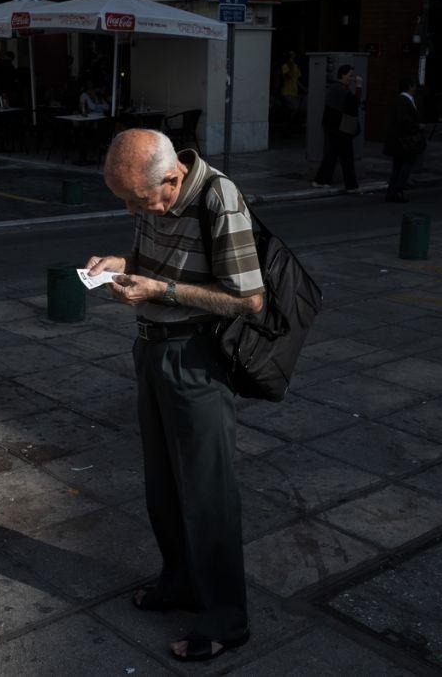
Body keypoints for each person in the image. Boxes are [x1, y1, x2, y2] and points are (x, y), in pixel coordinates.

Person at [84, 129, 262, 663]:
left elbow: (249, 300)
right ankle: (179, 582)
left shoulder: (218, 199)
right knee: (162, 484)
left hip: (197, 357)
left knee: (209, 493)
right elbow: (150, 258)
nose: (142, 211)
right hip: (152, 349)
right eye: (129, 204)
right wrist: (121, 266)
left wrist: (161, 292)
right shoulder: (148, 191)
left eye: (142, 201)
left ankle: (228, 619)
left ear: (173, 177)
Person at [312, 64, 362, 192]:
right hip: (339, 128)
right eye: (350, 75)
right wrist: (359, 87)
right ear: (343, 75)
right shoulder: (339, 89)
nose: (351, 78)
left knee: (332, 155)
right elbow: (354, 104)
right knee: (346, 157)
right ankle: (351, 185)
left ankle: (320, 180)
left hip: (334, 127)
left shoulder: (338, 88)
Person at [384, 77, 424, 203]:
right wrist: (417, 126)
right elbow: (404, 121)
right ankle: (397, 191)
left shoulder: (405, 100)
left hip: (400, 140)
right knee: (406, 164)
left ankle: (393, 191)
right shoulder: (403, 101)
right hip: (404, 140)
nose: (416, 88)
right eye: (414, 85)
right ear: (410, 86)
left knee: (398, 166)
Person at [278, 50, 303, 131]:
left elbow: (296, 79)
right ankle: (287, 126)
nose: (293, 57)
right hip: (286, 92)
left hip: (294, 92)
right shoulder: (285, 66)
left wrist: (303, 88)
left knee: (293, 110)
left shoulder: (296, 66)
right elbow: (287, 76)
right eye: (291, 55)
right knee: (294, 108)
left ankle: (287, 126)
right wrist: (290, 65)